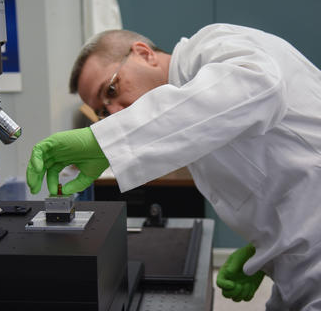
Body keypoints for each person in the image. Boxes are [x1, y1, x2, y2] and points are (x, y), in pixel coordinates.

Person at [25, 23, 321, 310]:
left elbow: (261, 87)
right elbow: (283, 174)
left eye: (112, 90)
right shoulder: (187, 116)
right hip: (299, 271)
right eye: (102, 112)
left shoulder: (211, 45)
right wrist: (265, 250)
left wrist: (104, 142)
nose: (113, 113)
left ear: (144, 53)